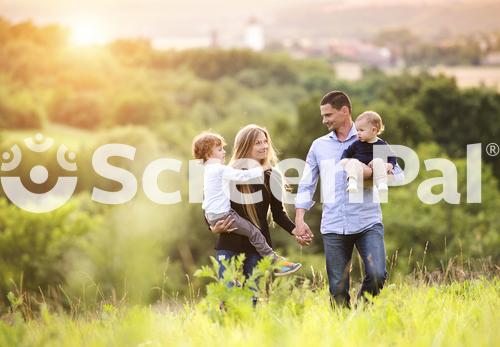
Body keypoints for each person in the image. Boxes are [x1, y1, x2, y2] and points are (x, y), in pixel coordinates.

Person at [294, 91, 404, 308]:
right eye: (323, 116)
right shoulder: (319, 146)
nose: (324, 120)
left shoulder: (373, 139)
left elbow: (398, 174)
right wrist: (299, 218)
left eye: (328, 115)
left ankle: (361, 314)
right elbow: (307, 183)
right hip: (334, 224)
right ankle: (343, 332)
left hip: (367, 220)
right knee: (337, 288)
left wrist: (373, 172)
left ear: (345, 111)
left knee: (377, 274)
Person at [192, 131, 301, 277]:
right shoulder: (228, 172)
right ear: (246, 146)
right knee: (228, 294)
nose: (264, 146)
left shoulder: (271, 175)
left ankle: (276, 262)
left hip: (256, 249)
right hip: (229, 245)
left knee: (252, 297)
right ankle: (276, 262)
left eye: (265, 141)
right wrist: (213, 227)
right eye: (258, 142)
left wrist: (296, 230)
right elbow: (210, 202)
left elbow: (278, 213)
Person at [340, 111, 397, 193]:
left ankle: (382, 184)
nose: (358, 133)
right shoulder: (357, 144)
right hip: (361, 168)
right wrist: (344, 160)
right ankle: (352, 183)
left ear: (374, 130)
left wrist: (390, 164)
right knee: (353, 162)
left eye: (361, 130)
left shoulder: (381, 144)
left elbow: (392, 156)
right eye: (357, 130)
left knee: (378, 161)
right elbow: (347, 152)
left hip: (375, 169)